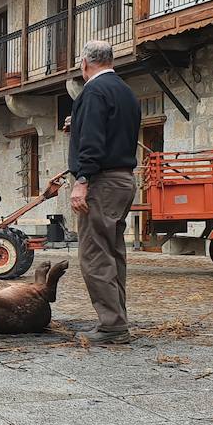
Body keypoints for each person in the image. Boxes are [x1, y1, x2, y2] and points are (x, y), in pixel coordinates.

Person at [68, 40, 140, 344]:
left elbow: (95, 141)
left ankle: (112, 325)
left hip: (102, 181)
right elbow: (112, 133)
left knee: (95, 253)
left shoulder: (93, 92)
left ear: (85, 64)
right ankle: (117, 318)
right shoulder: (126, 92)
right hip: (124, 179)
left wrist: (82, 179)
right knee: (113, 252)